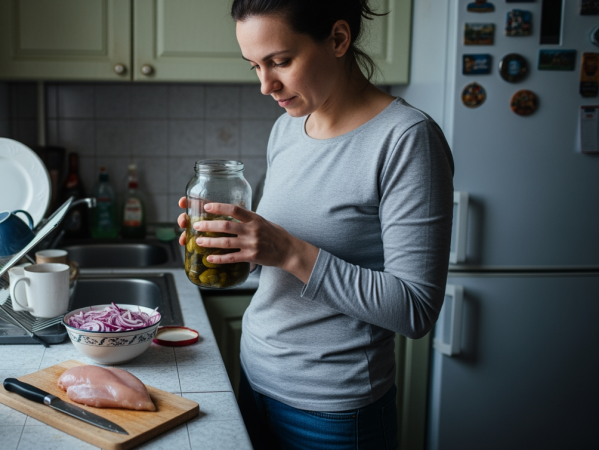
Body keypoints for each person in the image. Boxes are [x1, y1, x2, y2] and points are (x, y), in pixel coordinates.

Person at [175, 1, 455, 448]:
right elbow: (274, 262)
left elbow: (414, 308)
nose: (266, 85)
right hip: (254, 379)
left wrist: (288, 250)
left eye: (280, 62)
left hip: (336, 413)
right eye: (254, 66)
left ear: (339, 39)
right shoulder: (287, 129)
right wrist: (232, 247)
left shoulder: (406, 139)